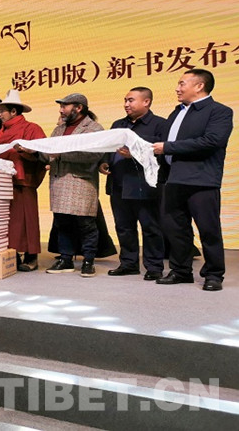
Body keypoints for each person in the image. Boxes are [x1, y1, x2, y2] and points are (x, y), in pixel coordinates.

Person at [152, 69, 233, 291]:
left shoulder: (219, 111)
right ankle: (180, 271)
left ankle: (214, 274)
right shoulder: (176, 112)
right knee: (175, 229)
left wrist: (167, 148)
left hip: (201, 180)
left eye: (182, 83)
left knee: (208, 230)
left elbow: (212, 141)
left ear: (199, 86)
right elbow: (163, 142)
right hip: (173, 179)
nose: (177, 88)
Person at [100, 87, 167, 280]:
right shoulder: (118, 124)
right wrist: (104, 162)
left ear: (146, 102)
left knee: (150, 227)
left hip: (144, 185)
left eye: (131, 100)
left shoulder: (160, 125)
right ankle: (128, 264)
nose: (126, 104)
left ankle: (154, 267)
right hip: (118, 184)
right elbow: (109, 148)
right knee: (123, 227)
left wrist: (136, 154)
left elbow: (164, 155)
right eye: (125, 100)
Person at [36, 93, 103, 277]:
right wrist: (32, 151)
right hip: (59, 181)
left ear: (78, 108)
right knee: (62, 223)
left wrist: (62, 154)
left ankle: (88, 261)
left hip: (81, 182)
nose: (61, 110)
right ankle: (65, 259)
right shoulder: (59, 129)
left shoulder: (93, 128)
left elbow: (94, 154)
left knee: (86, 224)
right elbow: (49, 153)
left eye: (64, 106)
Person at [0, 90, 46, 271]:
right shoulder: (1, 131)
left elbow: (43, 154)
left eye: (2, 111)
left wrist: (27, 151)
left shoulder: (32, 128)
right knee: (9, 222)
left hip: (24, 180)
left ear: (14, 112)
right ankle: (13, 255)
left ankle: (32, 257)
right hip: (4, 181)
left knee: (27, 220)